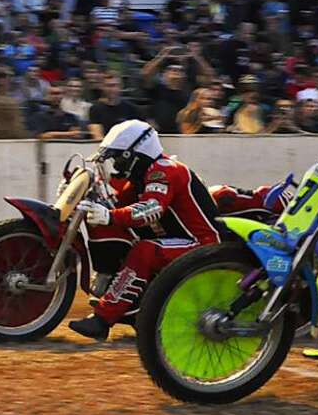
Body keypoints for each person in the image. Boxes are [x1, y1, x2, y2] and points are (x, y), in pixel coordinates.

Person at [67, 121, 224, 340]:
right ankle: (120, 294)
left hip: (201, 244)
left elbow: (151, 209)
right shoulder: (143, 175)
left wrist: (110, 215)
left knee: (145, 250)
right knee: (113, 228)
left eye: (120, 157)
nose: (116, 164)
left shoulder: (165, 170)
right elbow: (120, 204)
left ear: (135, 154)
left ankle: (102, 319)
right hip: (176, 240)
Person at [88, 73, 140, 139]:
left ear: (121, 87)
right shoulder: (95, 109)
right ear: (102, 87)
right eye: (108, 86)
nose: (112, 89)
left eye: (115, 85)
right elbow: (97, 136)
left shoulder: (131, 108)